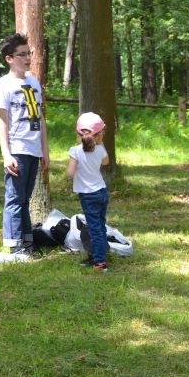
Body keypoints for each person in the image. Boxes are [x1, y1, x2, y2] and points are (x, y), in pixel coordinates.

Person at [0, 32, 49, 256]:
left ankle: (27, 244)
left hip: (34, 149)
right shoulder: (3, 85)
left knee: (25, 199)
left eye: (29, 53)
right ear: (9, 58)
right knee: (15, 199)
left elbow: (41, 118)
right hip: (17, 148)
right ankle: (14, 246)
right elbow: (2, 121)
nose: (27, 58)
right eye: (22, 55)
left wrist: (45, 150)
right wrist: (6, 154)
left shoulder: (33, 82)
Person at [66, 112, 111, 272]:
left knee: (94, 229)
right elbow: (106, 162)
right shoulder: (100, 150)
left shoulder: (75, 151)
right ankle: (99, 254)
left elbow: (70, 173)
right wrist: (101, 142)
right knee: (100, 225)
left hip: (88, 195)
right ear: (99, 135)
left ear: (79, 134)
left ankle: (99, 262)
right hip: (101, 192)